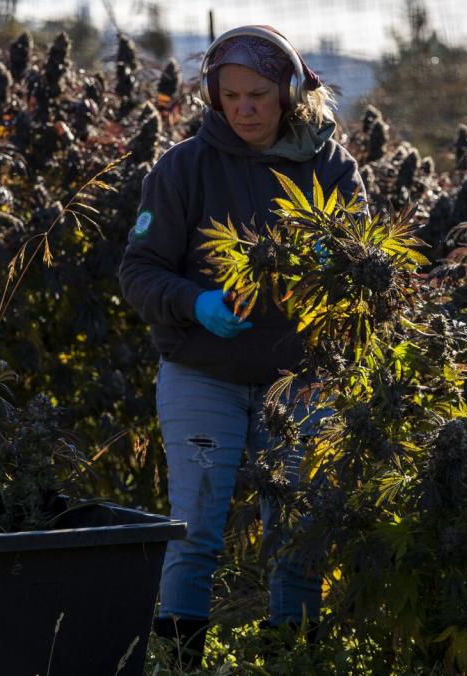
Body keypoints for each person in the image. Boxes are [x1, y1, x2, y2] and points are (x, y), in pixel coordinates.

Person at [118, 25, 366, 666]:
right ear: (213, 96)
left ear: (289, 92)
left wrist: (335, 262)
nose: (244, 108)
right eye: (230, 96)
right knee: (195, 528)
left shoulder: (333, 167)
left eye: (258, 94)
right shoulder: (184, 167)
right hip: (205, 370)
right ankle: (178, 660)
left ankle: (292, 655)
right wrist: (194, 303)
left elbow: (368, 272)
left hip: (305, 377)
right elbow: (139, 271)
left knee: (299, 528)